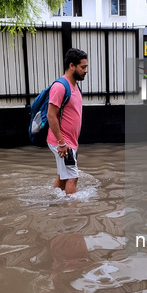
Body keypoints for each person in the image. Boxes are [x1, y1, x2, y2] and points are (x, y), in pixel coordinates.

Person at [47, 48, 88, 195]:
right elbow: (51, 115)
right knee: (73, 177)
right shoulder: (60, 87)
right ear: (72, 66)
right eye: (83, 67)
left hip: (69, 142)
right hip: (63, 143)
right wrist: (61, 143)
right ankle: (72, 215)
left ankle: (56, 204)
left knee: (63, 177)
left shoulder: (75, 86)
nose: (86, 70)